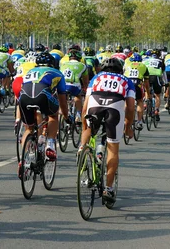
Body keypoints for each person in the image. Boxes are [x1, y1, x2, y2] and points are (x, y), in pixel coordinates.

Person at [80, 57, 135, 204]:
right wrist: (128, 127)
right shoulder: (126, 80)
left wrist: (84, 125)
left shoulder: (97, 77)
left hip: (95, 104)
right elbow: (130, 107)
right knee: (113, 149)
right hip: (115, 107)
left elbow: (85, 106)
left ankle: (82, 150)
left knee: (90, 129)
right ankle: (108, 189)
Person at [17, 51, 68, 163]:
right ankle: (50, 144)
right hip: (42, 96)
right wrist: (66, 116)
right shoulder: (57, 73)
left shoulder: (30, 71)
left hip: (24, 97)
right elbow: (63, 100)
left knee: (29, 128)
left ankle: (23, 159)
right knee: (53, 116)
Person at [60, 48, 89, 123]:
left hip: (62, 85)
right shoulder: (82, 65)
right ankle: (78, 115)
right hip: (74, 85)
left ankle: (61, 114)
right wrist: (86, 89)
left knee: (62, 98)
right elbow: (85, 81)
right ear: (79, 58)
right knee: (78, 96)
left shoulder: (63, 64)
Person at [123, 52, 149, 130]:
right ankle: (139, 121)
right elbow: (146, 83)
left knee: (126, 102)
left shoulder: (127, 64)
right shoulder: (143, 66)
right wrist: (148, 92)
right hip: (137, 84)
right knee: (140, 101)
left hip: (127, 84)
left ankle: (124, 120)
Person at [142, 50, 164, 120]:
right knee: (157, 94)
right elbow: (163, 73)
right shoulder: (160, 61)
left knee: (146, 90)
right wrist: (165, 83)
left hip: (146, 76)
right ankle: (156, 110)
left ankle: (146, 101)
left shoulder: (145, 60)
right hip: (155, 76)